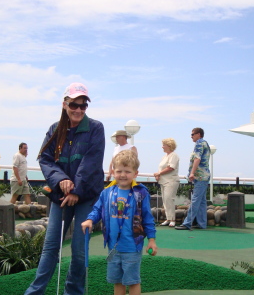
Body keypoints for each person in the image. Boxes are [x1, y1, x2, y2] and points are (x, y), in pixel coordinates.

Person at [25, 83, 105, 295]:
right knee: (50, 248)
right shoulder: (55, 129)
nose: (78, 109)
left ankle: (73, 292)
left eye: (83, 105)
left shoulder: (96, 128)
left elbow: (91, 162)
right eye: (74, 104)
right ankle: (34, 292)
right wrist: (61, 180)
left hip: (86, 196)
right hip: (60, 197)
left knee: (79, 251)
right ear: (65, 104)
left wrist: (75, 190)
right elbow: (45, 158)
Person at [82, 150, 157, 295]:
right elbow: (98, 210)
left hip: (132, 246)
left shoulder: (141, 194)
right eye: (119, 171)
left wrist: (152, 240)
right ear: (113, 172)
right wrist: (90, 219)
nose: (123, 175)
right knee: (117, 280)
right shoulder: (107, 192)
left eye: (127, 171)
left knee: (133, 281)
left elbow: (148, 218)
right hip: (113, 246)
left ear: (135, 173)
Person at [175, 128, 211, 230]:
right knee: (202, 201)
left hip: (200, 176)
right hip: (204, 176)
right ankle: (202, 223)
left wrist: (192, 173)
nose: (191, 136)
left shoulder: (199, 143)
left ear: (198, 134)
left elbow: (197, 158)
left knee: (195, 200)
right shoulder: (205, 143)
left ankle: (187, 223)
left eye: (192, 134)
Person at [154, 138, 180, 227]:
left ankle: (173, 219)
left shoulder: (174, 155)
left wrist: (159, 173)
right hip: (163, 181)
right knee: (165, 200)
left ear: (169, 146)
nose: (162, 147)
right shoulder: (164, 157)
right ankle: (168, 218)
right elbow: (161, 169)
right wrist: (158, 175)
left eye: (164, 145)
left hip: (171, 181)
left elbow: (170, 168)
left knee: (169, 199)